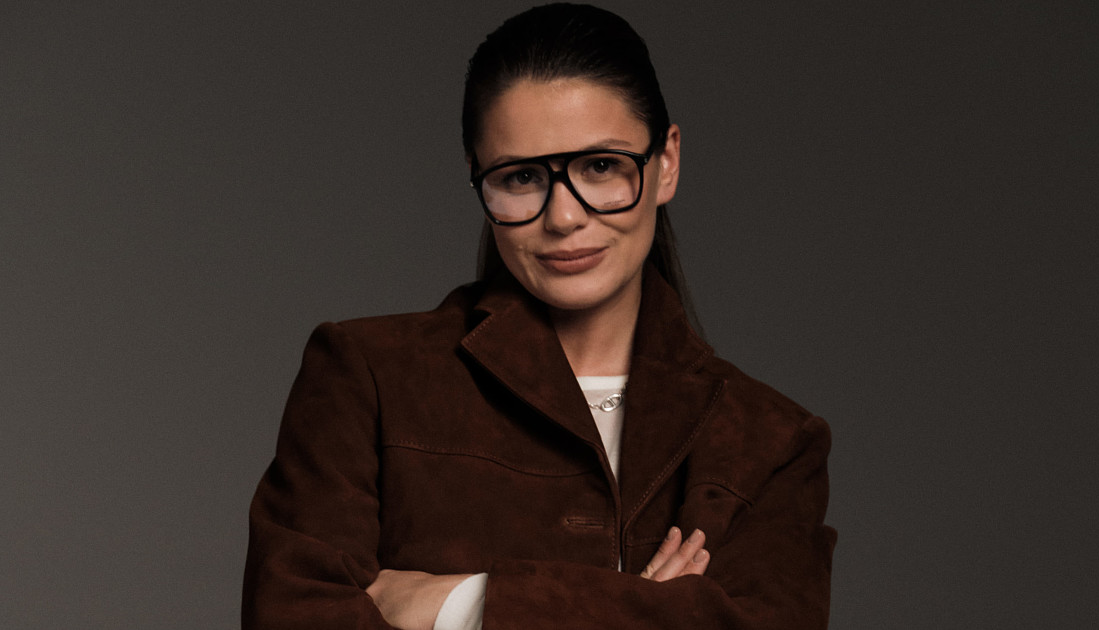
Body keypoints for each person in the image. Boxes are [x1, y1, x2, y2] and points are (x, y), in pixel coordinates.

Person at [242, 4, 836, 629]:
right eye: (522, 177)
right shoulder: (367, 378)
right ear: (479, 179)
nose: (563, 217)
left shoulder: (770, 442)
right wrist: (651, 612)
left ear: (667, 163)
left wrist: (465, 605)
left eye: (601, 167)